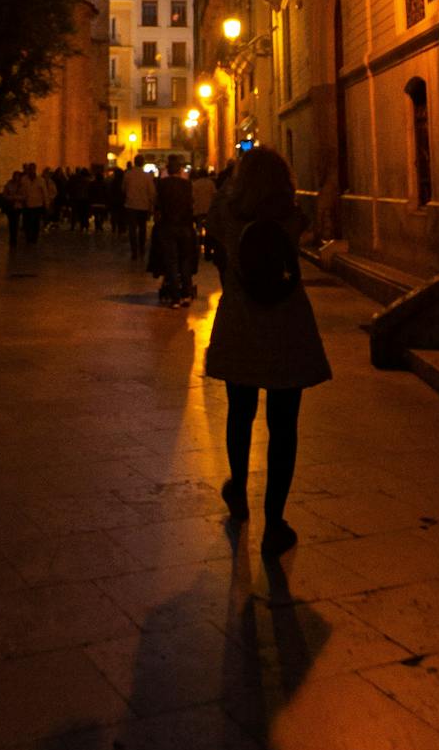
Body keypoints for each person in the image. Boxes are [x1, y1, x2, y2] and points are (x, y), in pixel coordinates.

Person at [204, 146, 331, 555]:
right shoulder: (292, 217)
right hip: (285, 324)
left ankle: (238, 487)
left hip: (241, 321)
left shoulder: (226, 214)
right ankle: (275, 522)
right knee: (283, 426)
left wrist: (233, 184)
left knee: (240, 412)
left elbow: (215, 227)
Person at [153, 156, 198, 305]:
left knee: (171, 261)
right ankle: (186, 293)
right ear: (180, 170)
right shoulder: (187, 185)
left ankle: (175, 298)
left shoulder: (162, 184)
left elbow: (157, 204)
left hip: (168, 226)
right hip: (184, 226)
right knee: (185, 259)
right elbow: (191, 204)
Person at [122, 157, 153, 262]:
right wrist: (151, 204)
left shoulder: (128, 175)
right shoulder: (147, 176)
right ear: (142, 163)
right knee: (142, 228)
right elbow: (151, 192)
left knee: (132, 229)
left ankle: (134, 250)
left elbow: (123, 189)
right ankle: (142, 248)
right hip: (143, 205)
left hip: (131, 205)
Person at [19, 160, 49, 246]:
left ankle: (34, 239)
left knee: (36, 223)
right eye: (30, 169)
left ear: (35, 169)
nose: (31, 170)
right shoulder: (24, 179)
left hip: (37, 205)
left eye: (33, 169)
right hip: (27, 204)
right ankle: (28, 238)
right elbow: (21, 191)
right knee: (27, 222)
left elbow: (45, 193)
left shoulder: (40, 180)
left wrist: (46, 204)